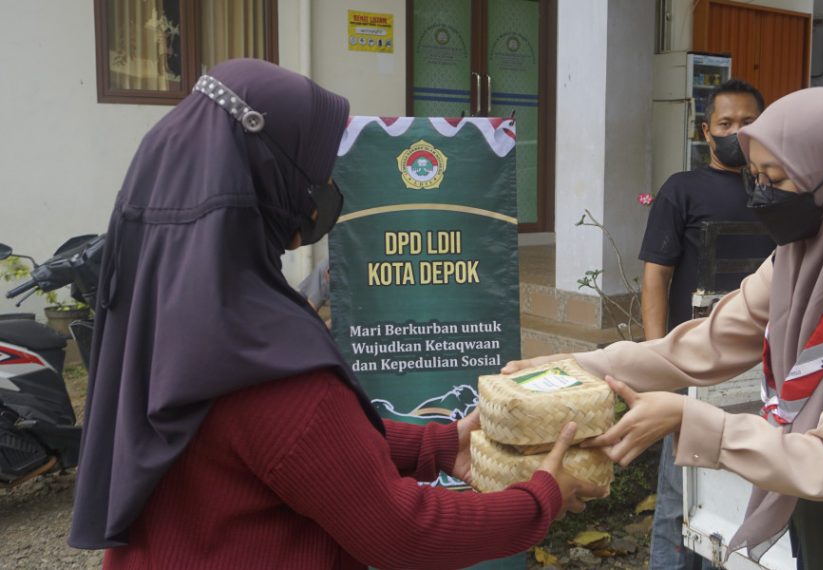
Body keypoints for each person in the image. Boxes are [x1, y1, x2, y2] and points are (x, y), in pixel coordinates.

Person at [68, 59, 604, 570]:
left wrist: (437, 443)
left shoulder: (161, 320)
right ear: (268, 179)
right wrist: (540, 500)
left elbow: (304, 451)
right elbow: (399, 529)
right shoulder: (265, 361)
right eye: (318, 172)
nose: (326, 193)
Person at [506, 87, 823, 569]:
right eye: (756, 176)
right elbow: (704, 346)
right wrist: (579, 366)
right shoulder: (796, 261)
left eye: (778, 178)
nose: (762, 194)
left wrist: (689, 419)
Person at [638, 78, 775, 570]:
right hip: (695, 367)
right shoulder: (682, 189)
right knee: (680, 493)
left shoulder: (778, 189)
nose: (737, 132)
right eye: (726, 123)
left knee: (740, 491)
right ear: (706, 130)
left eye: (748, 123)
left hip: (763, 366)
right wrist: (661, 364)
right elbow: (656, 277)